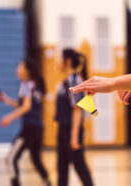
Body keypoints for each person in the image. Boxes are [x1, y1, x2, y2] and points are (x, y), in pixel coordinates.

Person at [0, 59, 51, 186]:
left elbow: (26, 107)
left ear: (27, 71)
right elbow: (22, 104)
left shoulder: (28, 85)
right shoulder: (32, 84)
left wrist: (8, 118)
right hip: (38, 128)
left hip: (30, 128)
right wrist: (7, 100)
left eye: (20, 66)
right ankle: (48, 182)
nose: (17, 69)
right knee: (36, 159)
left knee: (11, 159)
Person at [55, 49, 93, 186]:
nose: (57, 61)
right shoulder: (66, 81)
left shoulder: (74, 80)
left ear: (68, 61)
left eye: (60, 58)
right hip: (63, 130)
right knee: (62, 168)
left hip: (71, 131)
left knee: (80, 167)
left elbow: (77, 109)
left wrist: (74, 136)